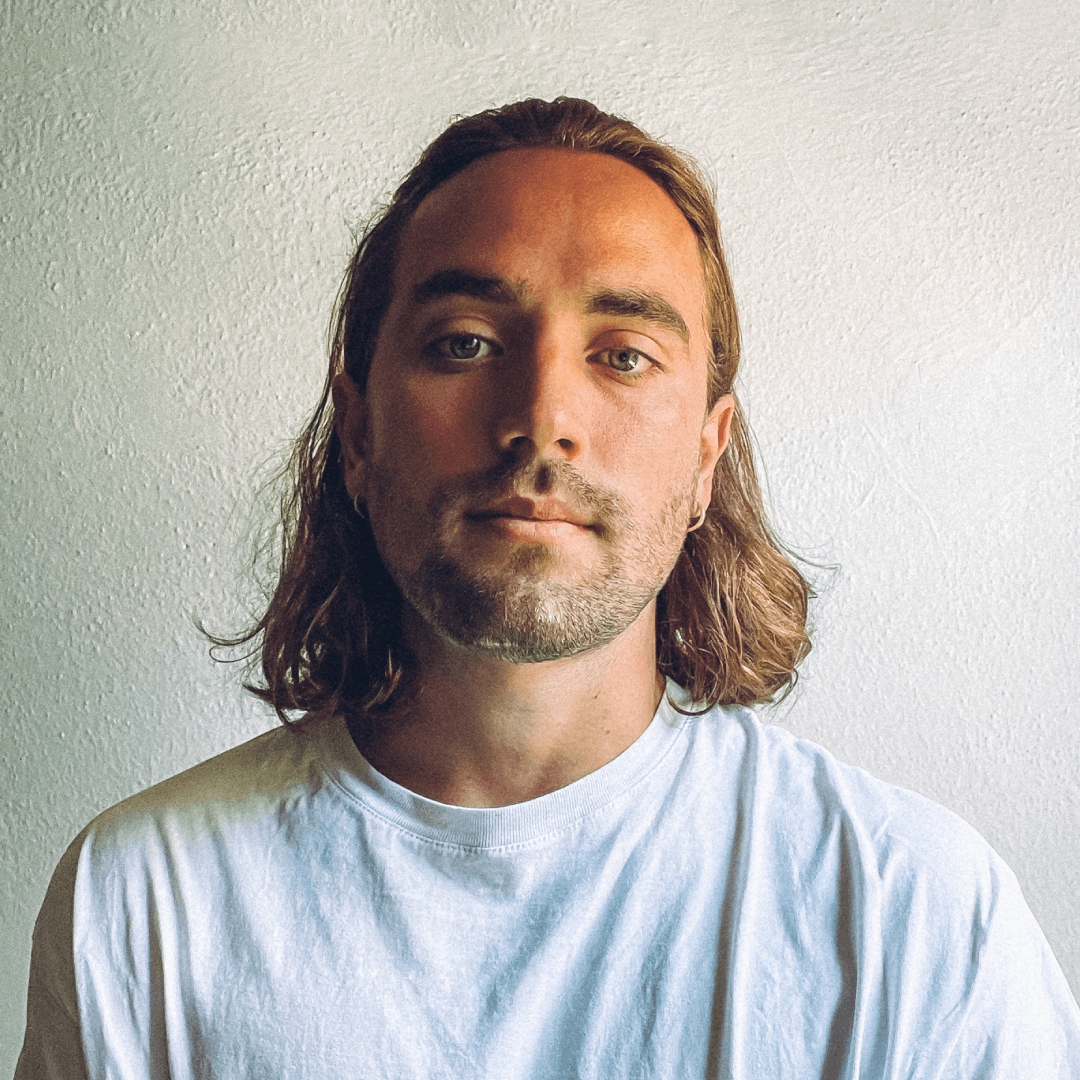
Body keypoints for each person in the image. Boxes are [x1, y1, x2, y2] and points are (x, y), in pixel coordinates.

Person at [16, 97, 1080, 1078]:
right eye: (466, 342)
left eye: (622, 356)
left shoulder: (912, 910)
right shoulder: (145, 899)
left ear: (708, 454)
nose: (541, 415)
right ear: (358, 430)